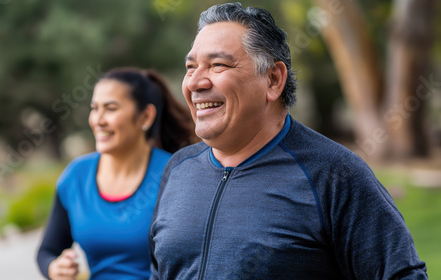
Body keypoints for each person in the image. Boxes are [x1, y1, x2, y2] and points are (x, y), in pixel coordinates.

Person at [149, 3, 427, 279]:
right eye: (190, 67)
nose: (195, 82)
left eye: (218, 65)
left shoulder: (335, 175)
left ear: (273, 79)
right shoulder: (178, 168)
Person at [37, 67, 194, 279]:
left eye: (110, 109)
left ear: (145, 116)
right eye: (94, 108)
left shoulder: (176, 174)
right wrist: (55, 268)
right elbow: (48, 250)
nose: (98, 120)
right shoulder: (76, 176)